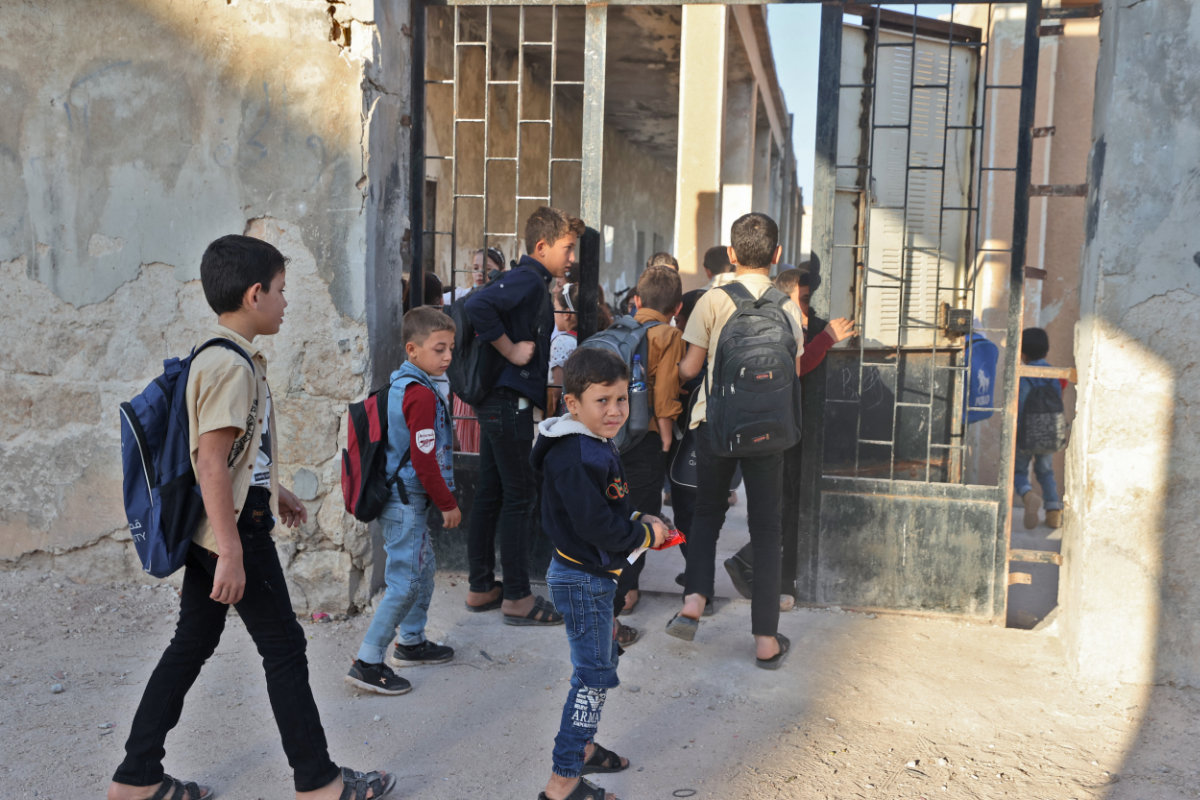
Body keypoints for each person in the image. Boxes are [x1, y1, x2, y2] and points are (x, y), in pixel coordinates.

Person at [107, 235, 393, 800]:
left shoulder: (219, 354)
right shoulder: (230, 365)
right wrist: (233, 551)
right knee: (284, 647)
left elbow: (230, 457)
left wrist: (275, 487)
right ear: (255, 293)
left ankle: (136, 777)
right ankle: (320, 784)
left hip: (221, 523)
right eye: (282, 291)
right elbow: (209, 462)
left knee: (191, 644)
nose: (287, 303)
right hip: (232, 533)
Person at [665, 212, 804, 670]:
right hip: (770, 433)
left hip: (714, 425)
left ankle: (694, 601)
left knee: (706, 513)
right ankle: (766, 638)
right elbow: (793, 373)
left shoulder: (712, 301)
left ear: (730, 255)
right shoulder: (788, 307)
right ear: (778, 256)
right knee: (766, 530)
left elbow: (689, 369)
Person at [530, 347, 670, 800]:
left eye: (621, 399)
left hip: (597, 577)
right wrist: (643, 536)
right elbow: (595, 525)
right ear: (573, 404)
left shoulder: (593, 441)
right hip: (582, 579)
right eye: (601, 401)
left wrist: (639, 523)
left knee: (601, 664)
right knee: (592, 678)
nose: (614, 411)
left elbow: (610, 508)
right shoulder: (571, 454)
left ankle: (584, 746)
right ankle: (562, 781)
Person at [462, 206, 583, 624]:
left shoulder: (530, 280)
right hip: (507, 402)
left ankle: (481, 587)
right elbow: (479, 307)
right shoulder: (528, 279)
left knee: (493, 493)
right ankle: (516, 596)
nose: (571, 257)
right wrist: (512, 350)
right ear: (542, 246)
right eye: (567, 248)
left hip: (498, 401)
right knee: (520, 496)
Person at [722, 265, 857, 601]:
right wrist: (826, 339)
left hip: (796, 429)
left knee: (793, 505)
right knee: (786, 507)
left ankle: (771, 574)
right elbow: (795, 369)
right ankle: (762, 572)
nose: (810, 308)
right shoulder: (780, 325)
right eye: (805, 299)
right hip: (781, 429)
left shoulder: (802, 325)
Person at [345, 307, 460, 695]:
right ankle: (368, 661)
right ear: (413, 350)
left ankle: (411, 642)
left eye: (450, 349)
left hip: (406, 499)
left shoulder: (406, 384)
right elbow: (425, 460)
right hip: (406, 500)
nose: (446, 357)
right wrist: (447, 503)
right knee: (405, 581)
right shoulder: (420, 395)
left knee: (421, 571)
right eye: (438, 349)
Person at [612, 265, 684, 633]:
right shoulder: (667, 335)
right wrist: (667, 436)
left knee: (613, 510)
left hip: (612, 434)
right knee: (642, 514)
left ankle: (611, 584)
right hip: (646, 437)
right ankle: (626, 591)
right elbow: (666, 391)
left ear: (636, 300)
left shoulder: (617, 328)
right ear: (678, 306)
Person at [1015, 326, 1064, 529]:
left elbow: (1019, 405)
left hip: (1026, 434)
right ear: (1045, 350)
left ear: (1023, 353)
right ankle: (1053, 511)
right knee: (1046, 472)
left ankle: (1027, 494)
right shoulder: (1054, 374)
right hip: (1049, 432)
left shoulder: (1023, 374)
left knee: (1019, 471)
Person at [547, 283, 580, 416]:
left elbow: (557, 390)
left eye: (556, 308)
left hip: (564, 412)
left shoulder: (562, 342)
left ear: (566, 313)